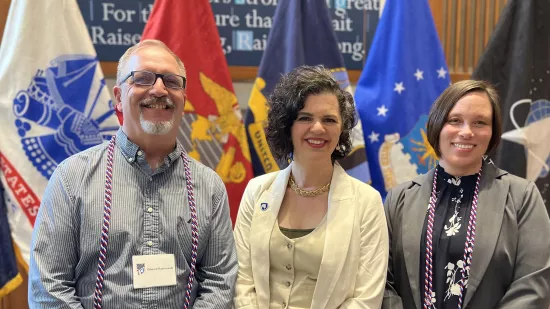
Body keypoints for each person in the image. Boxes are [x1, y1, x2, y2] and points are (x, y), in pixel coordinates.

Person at [28, 39, 237, 309]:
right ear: (118, 97)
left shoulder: (209, 186)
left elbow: (220, 283)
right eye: (143, 79)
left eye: (172, 82)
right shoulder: (71, 178)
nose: (159, 89)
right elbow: (49, 288)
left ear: (184, 98)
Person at [383, 80, 550, 309]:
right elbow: (381, 281)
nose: (466, 132)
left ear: (492, 133)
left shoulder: (523, 197)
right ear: (437, 125)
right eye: (455, 121)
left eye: (480, 122)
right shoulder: (398, 199)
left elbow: (534, 286)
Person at [233, 65, 388, 309]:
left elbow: (366, 297)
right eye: (305, 118)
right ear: (287, 126)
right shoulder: (256, 191)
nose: (318, 128)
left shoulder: (367, 201)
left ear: (342, 129)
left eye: (329, 119)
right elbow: (243, 280)